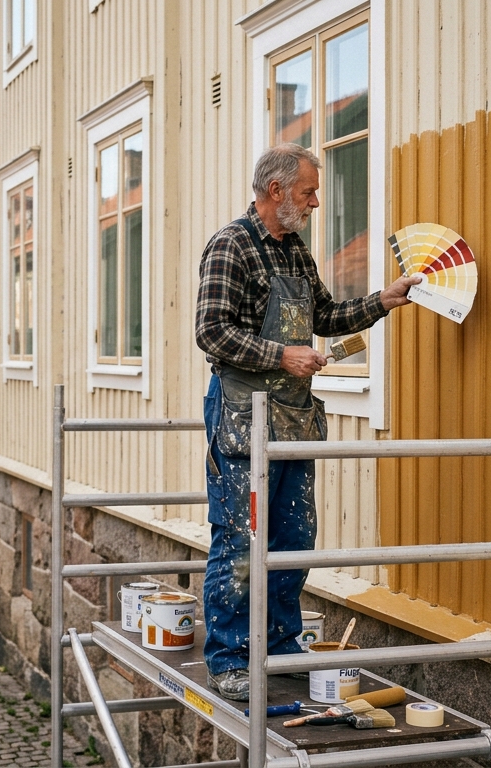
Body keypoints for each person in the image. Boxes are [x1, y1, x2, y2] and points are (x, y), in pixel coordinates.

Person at [193, 143, 422, 701]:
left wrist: (381, 301)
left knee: (293, 537)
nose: (317, 202)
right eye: (308, 192)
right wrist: (280, 355)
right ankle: (229, 659)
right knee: (242, 541)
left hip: (293, 420)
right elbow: (211, 332)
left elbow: (322, 316)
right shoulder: (230, 246)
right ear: (276, 192)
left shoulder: (295, 251)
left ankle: (278, 647)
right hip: (243, 420)